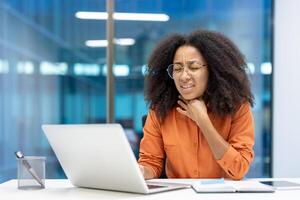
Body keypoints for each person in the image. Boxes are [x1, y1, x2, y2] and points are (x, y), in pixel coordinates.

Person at [138, 29, 255, 180]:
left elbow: (239, 168)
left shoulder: (238, 108)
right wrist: (139, 171)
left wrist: (203, 121)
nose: (184, 76)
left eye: (193, 68)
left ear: (213, 70)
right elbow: (150, 163)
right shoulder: (160, 110)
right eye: (178, 68)